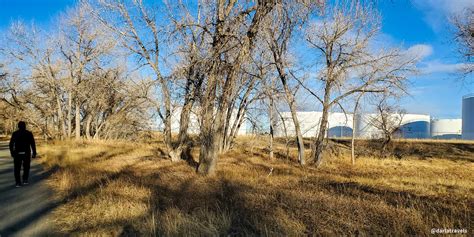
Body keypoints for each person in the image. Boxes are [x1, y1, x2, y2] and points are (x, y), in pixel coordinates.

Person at [9, 121, 37, 188]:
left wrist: (12, 153)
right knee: (26, 167)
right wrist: (34, 153)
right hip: (26, 153)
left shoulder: (15, 133)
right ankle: (25, 180)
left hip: (17, 153)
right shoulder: (29, 133)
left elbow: (11, 144)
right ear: (25, 126)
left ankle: (18, 183)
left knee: (17, 168)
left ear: (18, 126)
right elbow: (32, 144)